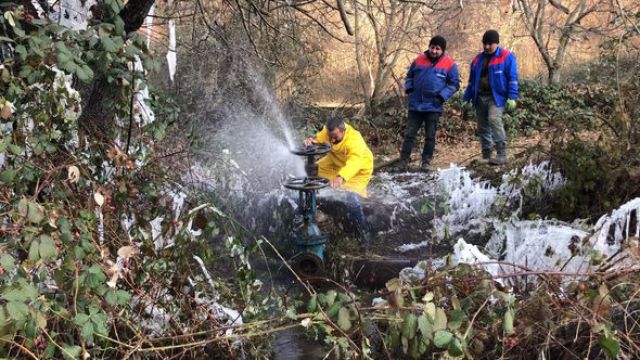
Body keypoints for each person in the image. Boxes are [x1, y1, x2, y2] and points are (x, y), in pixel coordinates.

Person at [304, 117, 374, 243]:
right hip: (335, 162)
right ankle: (313, 208)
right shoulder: (329, 132)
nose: (332, 140)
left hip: (358, 170)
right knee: (313, 171)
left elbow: (355, 162)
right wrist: (312, 141)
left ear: (343, 131)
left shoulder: (354, 140)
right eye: (330, 136)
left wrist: (341, 177)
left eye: (335, 137)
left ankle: (363, 231)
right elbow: (319, 138)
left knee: (352, 198)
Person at [397, 35, 460, 172]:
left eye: (437, 49)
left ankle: (426, 162)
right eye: (432, 47)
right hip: (415, 105)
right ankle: (403, 162)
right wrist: (409, 88)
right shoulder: (419, 60)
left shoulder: (450, 64)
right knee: (409, 135)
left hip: (434, 106)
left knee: (430, 136)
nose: (434, 51)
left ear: (442, 50)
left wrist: (442, 96)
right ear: (429, 46)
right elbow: (409, 76)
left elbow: (454, 84)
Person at [463, 29, 519, 165]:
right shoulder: (477, 59)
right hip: (480, 97)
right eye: (484, 44)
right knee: (482, 127)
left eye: (490, 44)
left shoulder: (506, 56)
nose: (487, 47)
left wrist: (512, 97)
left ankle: (502, 154)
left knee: (494, 119)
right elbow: (471, 81)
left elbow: (512, 78)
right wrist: (466, 98)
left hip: (497, 97)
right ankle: (487, 155)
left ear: (496, 43)